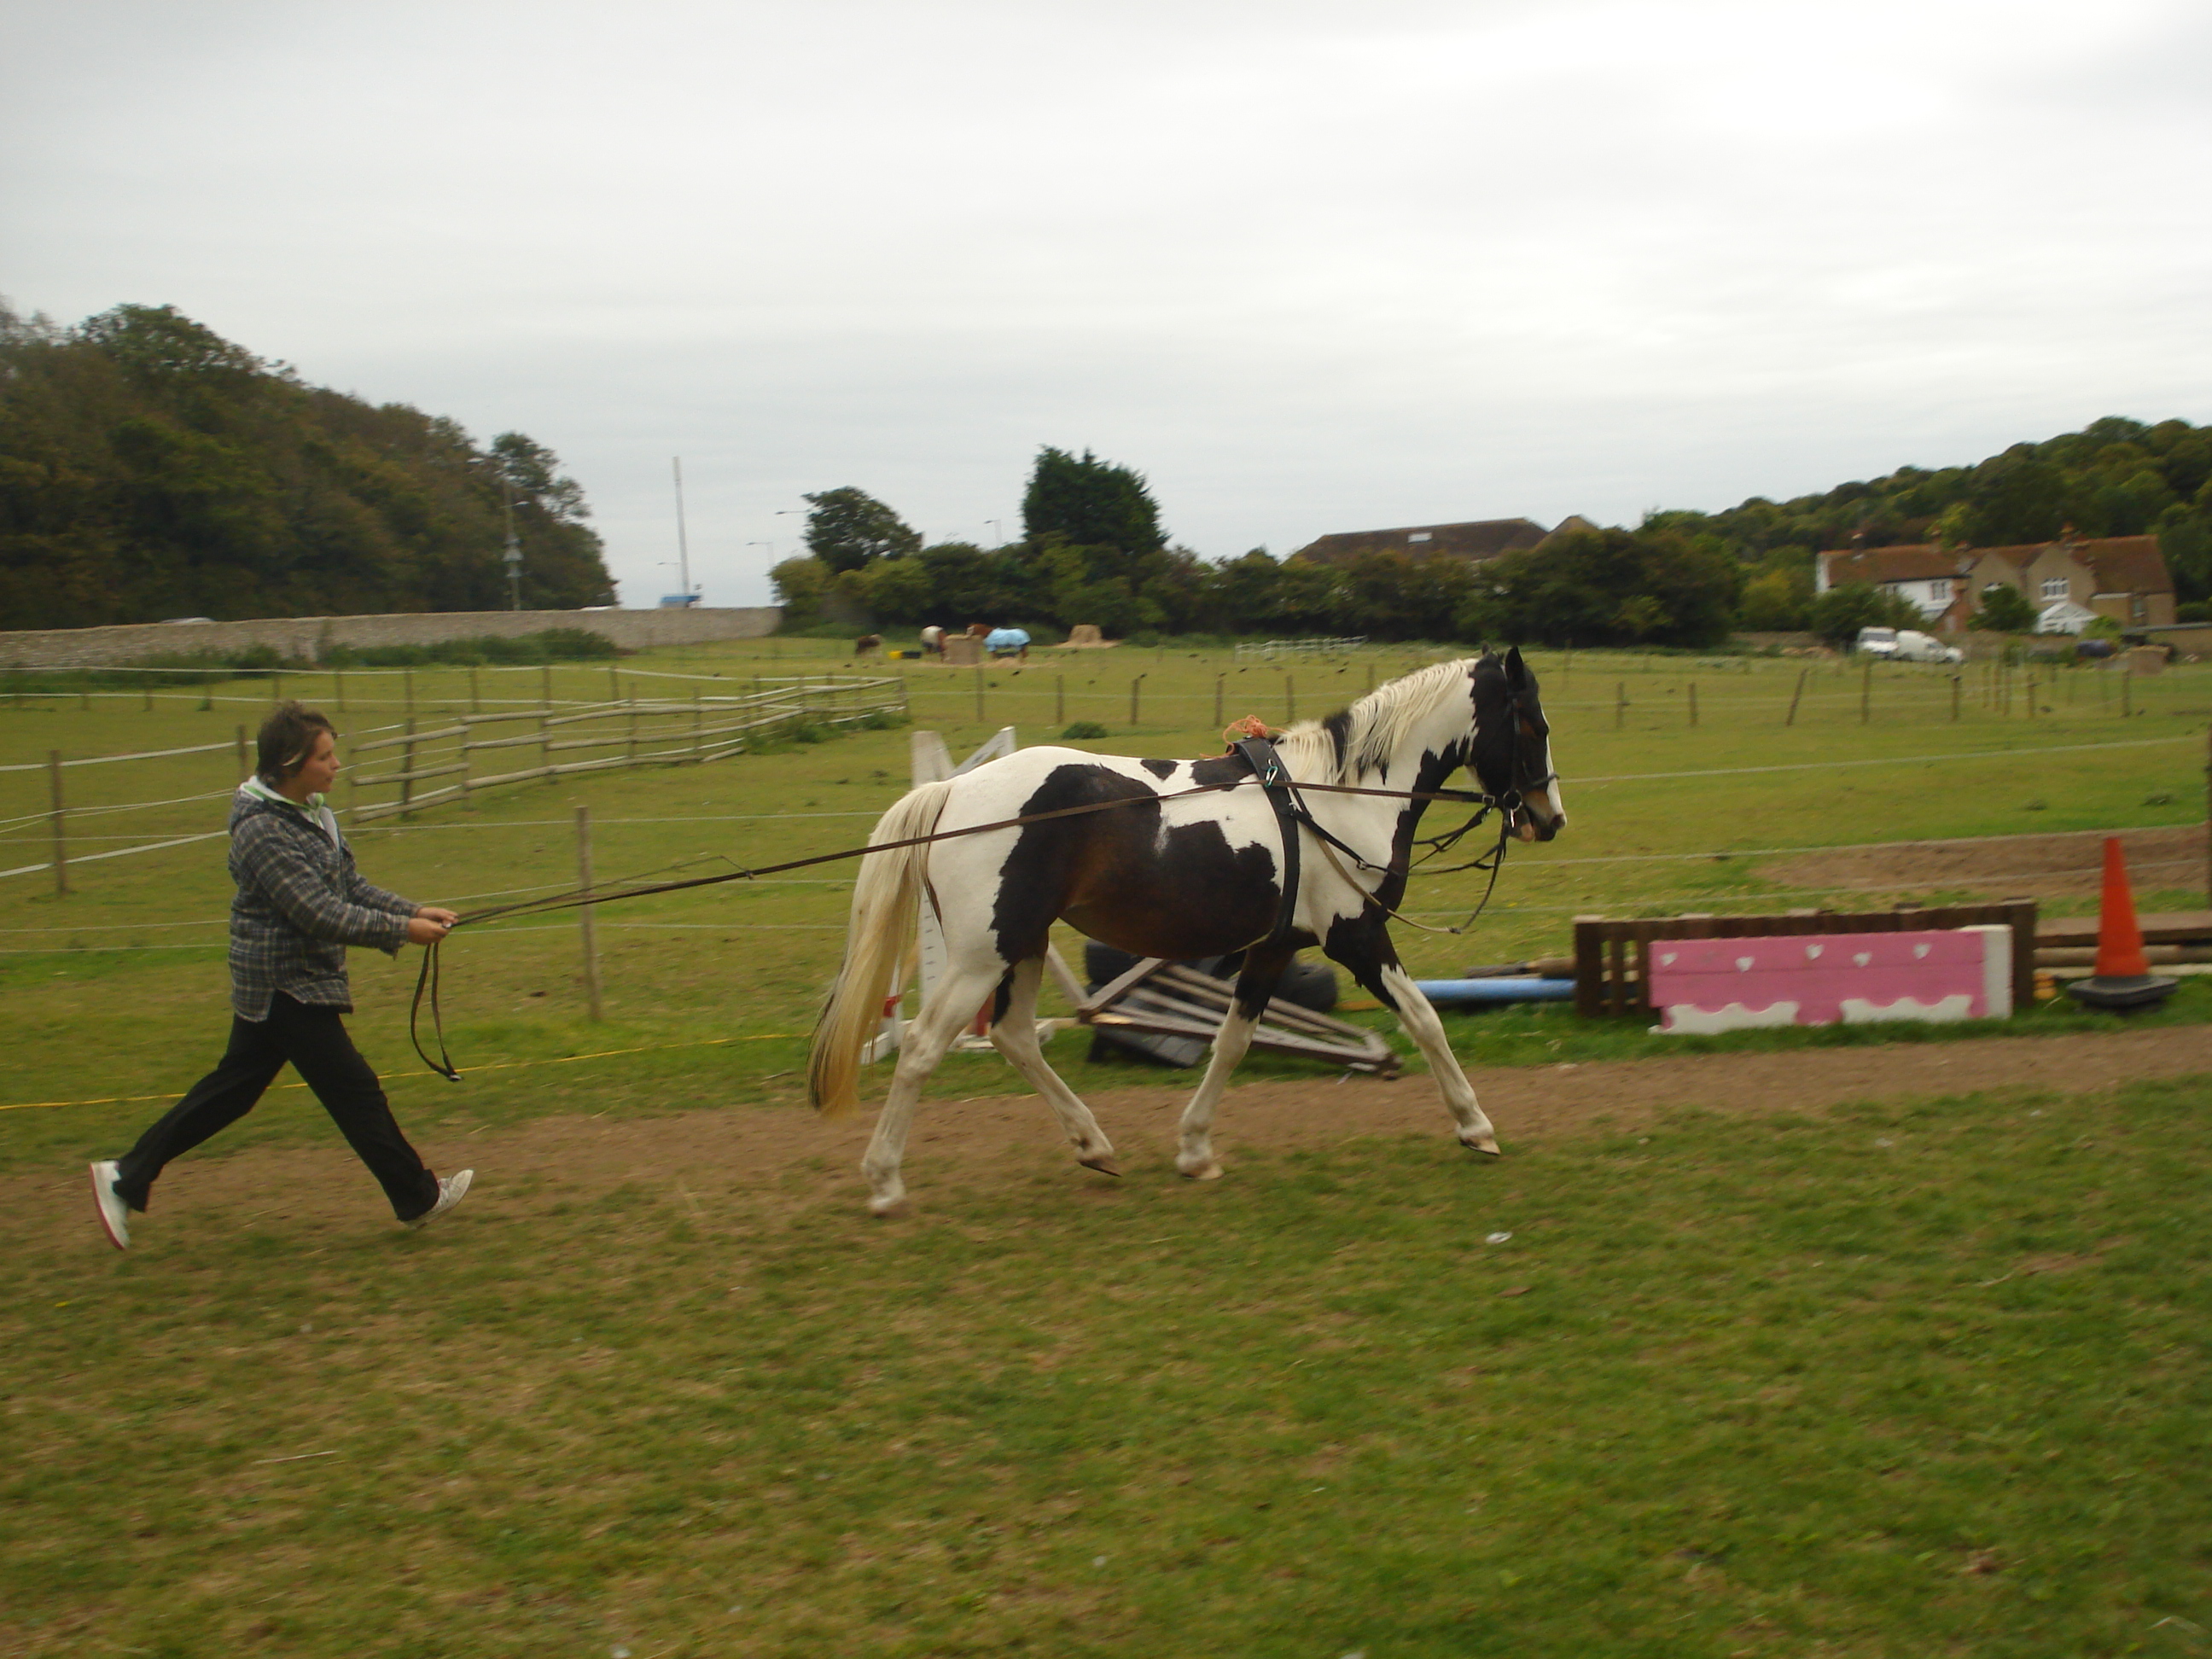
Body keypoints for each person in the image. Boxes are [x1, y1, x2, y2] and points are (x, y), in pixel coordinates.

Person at [89, 702, 470, 1249]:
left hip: (291, 982)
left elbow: (349, 886)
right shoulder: (262, 831)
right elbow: (317, 911)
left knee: (234, 1092)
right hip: (284, 984)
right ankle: (418, 1196)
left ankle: (126, 1176)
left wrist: (414, 910)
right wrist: (402, 930)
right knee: (354, 1090)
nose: (336, 765)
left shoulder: (311, 814)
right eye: (325, 756)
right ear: (291, 764)